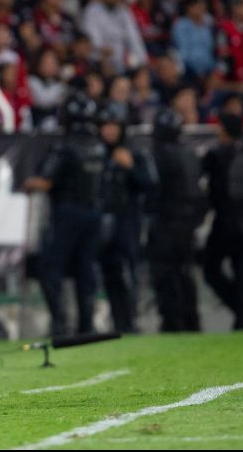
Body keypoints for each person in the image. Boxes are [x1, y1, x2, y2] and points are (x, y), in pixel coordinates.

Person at [22, 89, 105, 338]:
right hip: (94, 213)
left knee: (50, 267)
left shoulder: (63, 147)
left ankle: (60, 323)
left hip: (67, 213)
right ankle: (87, 325)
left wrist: (29, 183)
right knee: (85, 269)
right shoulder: (98, 147)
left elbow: (46, 181)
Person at [96, 104, 154, 333]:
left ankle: (131, 319)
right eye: (106, 125)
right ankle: (118, 320)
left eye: (114, 126)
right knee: (108, 272)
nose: (110, 130)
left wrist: (130, 167)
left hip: (127, 220)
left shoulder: (133, 153)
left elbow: (150, 184)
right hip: (100, 220)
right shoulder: (95, 152)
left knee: (130, 271)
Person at [147, 108, 206, 332]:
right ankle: (191, 318)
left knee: (164, 272)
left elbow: (153, 188)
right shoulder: (190, 154)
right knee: (185, 271)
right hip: (188, 222)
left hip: (166, 220)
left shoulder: (159, 155)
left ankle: (171, 320)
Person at [201, 113, 243, 330]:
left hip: (225, 221)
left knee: (211, 268)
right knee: (242, 272)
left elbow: (205, 187)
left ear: (224, 129)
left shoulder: (215, 155)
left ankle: (242, 312)